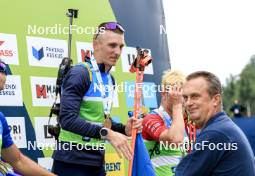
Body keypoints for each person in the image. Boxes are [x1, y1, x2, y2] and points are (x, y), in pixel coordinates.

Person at [51, 22, 142, 176]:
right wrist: (109, 134)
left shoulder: (110, 79)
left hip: (96, 162)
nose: (118, 52)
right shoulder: (80, 73)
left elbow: (100, 120)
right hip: (71, 162)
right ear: (96, 44)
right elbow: (67, 119)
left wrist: (122, 129)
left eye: (121, 46)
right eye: (112, 45)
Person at [175, 71, 255, 176]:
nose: (188, 103)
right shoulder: (224, 127)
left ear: (215, 100)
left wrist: (175, 108)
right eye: (185, 98)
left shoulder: (215, 133)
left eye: (195, 96)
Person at [0, 60, 55, 176]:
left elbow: (18, 161)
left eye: (4, 70)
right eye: (1, 70)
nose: (4, 74)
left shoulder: (0, 119)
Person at [142, 70, 186, 176]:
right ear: (164, 93)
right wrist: (177, 105)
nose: (181, 99)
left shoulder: (182, 119)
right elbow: (175, 140)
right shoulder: (151, 118)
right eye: (176, 93)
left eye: (183, 94)